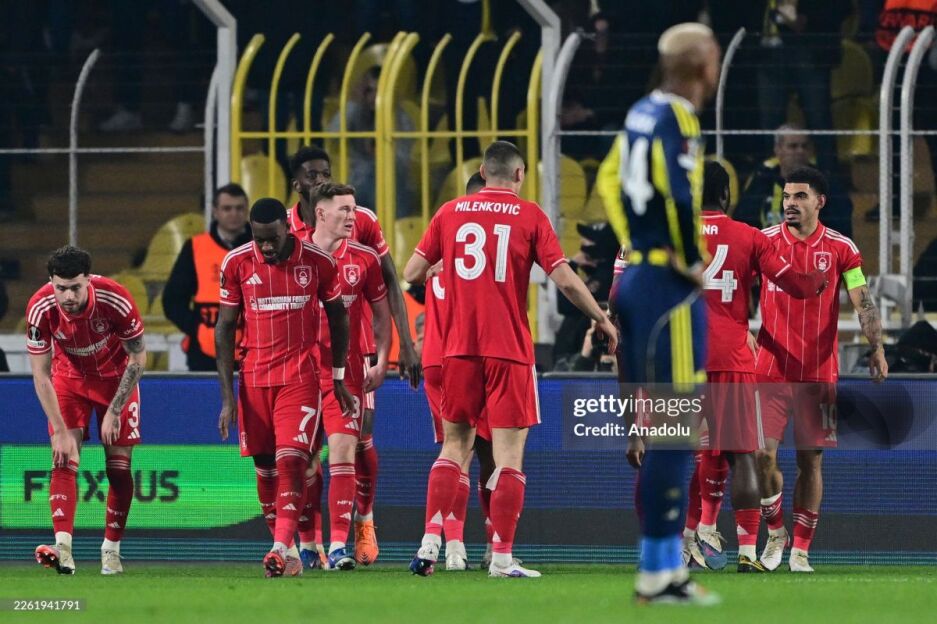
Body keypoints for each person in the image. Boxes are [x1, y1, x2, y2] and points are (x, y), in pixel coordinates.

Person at [404, 140, 617, 578]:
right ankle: (501, 558)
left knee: (454, 446)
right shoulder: (530, 215)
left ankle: (429, 543)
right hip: (508, 350)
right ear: (520, 175)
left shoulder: (449, 212)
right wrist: (600, 318)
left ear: (483, 172)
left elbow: (410, 273)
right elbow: (565, 280)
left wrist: (443, 270)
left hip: (458, 349)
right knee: (508, 457)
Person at [611, 23, 720, 605]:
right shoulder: (680, 116)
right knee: (677, 432)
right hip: (666, 287)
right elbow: (680, 193)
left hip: (638, 276)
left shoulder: (639, 111)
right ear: (702, 65)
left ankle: (662, 569)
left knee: (670, 430)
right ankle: (659, 571)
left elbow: (610, 181)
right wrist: (687, 258)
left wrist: (637, 242)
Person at [681, 161, 827, 573]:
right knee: (743, 454)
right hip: (732, 357)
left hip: (682, 356)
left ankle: (685, 539)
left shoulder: (672, 236)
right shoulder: (748, 236)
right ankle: (746, 550)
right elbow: (795, 283)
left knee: (684, 453)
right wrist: (817, 280)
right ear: (726, 195)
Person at [287, 145, 421, 567]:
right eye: (312, 175)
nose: (319, 181)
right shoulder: (286, 233)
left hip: (355, 352)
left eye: (325, 173)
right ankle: (310, 542)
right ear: (297, 184)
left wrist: (402, 345)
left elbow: (389, 282)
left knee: (360, 441)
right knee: (307, 454)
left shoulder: (361, 221)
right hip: (304, 362)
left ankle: (362, 521)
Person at [753, 166, 888, 573]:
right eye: (786, 196)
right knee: (761, 454)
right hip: (770, 366)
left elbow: (862, 300)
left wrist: (877, 347)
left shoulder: (842, 248)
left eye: (800, 196)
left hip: (818, 371)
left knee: (810, 461)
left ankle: (801, 551)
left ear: (820, 202)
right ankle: (775, 532)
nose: (790, 203)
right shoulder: (763, 242)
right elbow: (736, 289)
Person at [215, 198, 353, 578]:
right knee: (264, 468)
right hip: (254, 380)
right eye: (259, 240)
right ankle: (289, 552)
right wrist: (227, 396)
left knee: (291, 461)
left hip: (300, 379)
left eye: (272, 239)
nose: (266, 247)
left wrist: (337, 377)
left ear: (287, 229)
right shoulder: (236, 263)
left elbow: (339, 318)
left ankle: (277, 547)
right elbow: (224, 328)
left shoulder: (319, 262)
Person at [27, 246, 147, 575]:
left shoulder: (115, 299)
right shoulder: (40, 307)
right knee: (63, 457)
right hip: (70, 379)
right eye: (61, 288)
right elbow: (40, 374)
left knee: (118, 468)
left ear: (88, 280)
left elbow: (138, 357)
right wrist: (60, 430)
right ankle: (63, 549)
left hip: (116, 381)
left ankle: (111, 550)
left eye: (75, 287)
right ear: (51, 282)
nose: (68, 296)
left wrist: (115, 410)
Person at [308, 182, 392, 571]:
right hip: (302, 370)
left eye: (354, 209)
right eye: (344, 209)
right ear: (320, 213)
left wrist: (383, 359)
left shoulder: (364, 258)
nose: (352, 216)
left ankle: (347, 537)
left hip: (350, 368)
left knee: (349, 447)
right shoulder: (296, 256)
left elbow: (382, 312)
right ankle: (307, 544)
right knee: (303, 459)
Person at [419, 171, 498, 571]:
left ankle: (449, 545)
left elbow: (411, 273)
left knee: (455, 451)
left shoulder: (443, 254)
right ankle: (491, 545)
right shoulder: (492, 258)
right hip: (475, 356)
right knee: (490, 455)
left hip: (437, 357)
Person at [163, 183, 252, 371]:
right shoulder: (195, 247)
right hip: (204, 356)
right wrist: (197, 330)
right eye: (227, 208)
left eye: (239, 208)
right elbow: (172, 301)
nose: (234, 214)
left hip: (252, 354)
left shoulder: (261, 247)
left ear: (247, 211)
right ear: (215, 212)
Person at [735, 124, 853, 238]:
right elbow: (743, 221)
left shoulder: (826, 184)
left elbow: (840, 230)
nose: (800, 151)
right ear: (778, 150)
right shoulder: (762, 179)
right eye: (793, 146)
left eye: (804, 146)